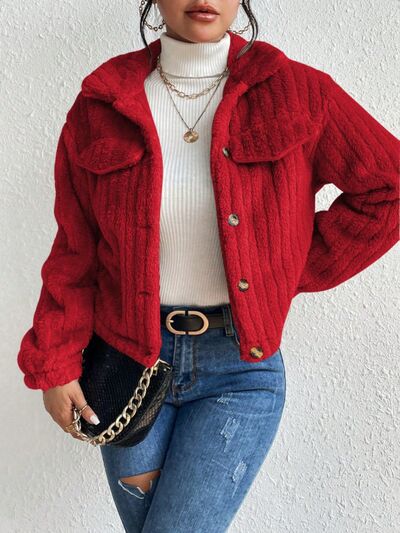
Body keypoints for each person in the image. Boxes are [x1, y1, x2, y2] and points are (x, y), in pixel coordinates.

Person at [17, 1, 399, 532]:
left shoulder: (298, 92)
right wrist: (54, 362)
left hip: (239, 370)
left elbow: (389, 188)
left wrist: (279, 270)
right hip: (127, 363)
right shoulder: (102, 103)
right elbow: (75, 248)